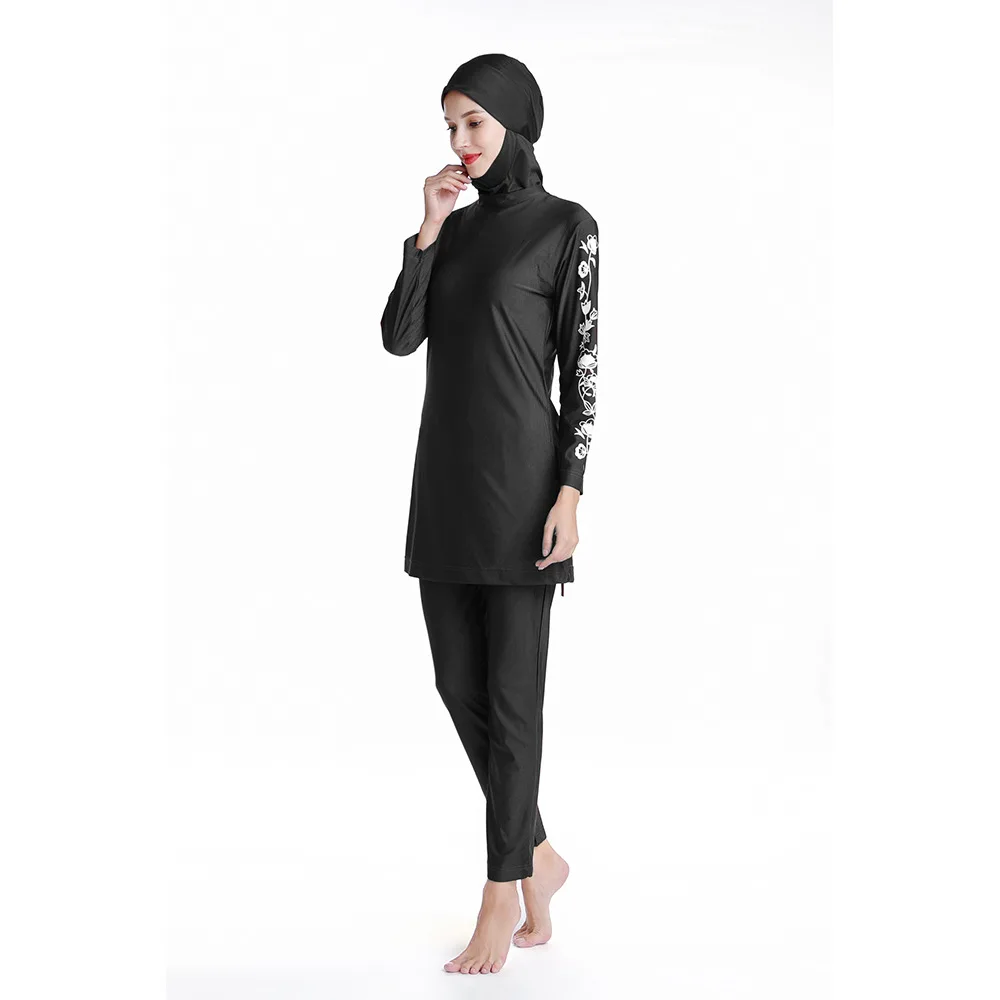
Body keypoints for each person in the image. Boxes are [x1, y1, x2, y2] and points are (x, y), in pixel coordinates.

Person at [380, 53, 600, 975]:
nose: (461, 141)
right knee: (456, 683)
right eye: (450, 126)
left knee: (514, 704)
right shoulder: (454, 229)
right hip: (444, 489)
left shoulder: (567, 227)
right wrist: (428, 230)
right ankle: (539, 852)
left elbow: (583, 368)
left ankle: (502, 889)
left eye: (473, 121)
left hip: (522, 494)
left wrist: (570, 491)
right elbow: (399, 337)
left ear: (514, 120)